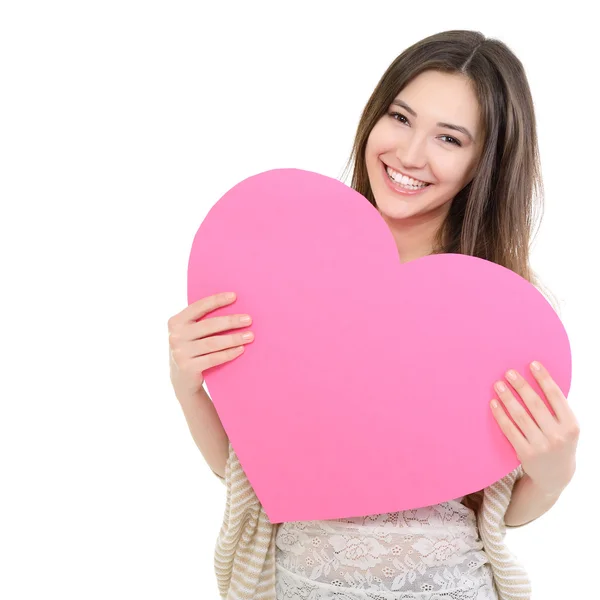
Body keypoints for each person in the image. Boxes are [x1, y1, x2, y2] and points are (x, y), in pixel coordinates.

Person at [167, 30, 580, 600]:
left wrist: (554, 474)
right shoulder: (287, 263)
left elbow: (495, 509)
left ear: (484, 161)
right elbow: (254, 472)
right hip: (300, 582)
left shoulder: (495, 305)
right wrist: (190, 387)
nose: (411, 155)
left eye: (450, 138)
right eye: (401, 118)